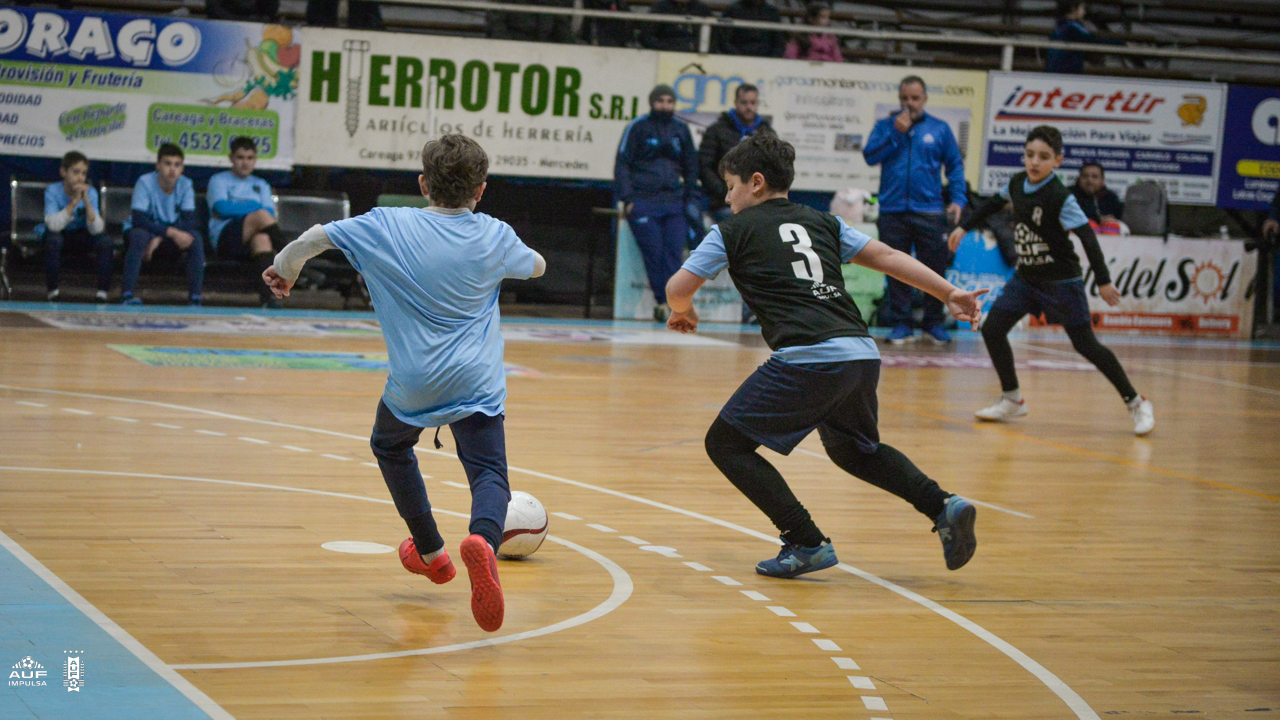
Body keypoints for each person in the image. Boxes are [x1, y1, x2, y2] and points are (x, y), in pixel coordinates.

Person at [665, 133, 985, 578]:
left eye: (732, 184)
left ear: (756, 183)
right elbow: (890, 256)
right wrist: (949, 291)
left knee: (725, 444)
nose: (726, 195)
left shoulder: (729, 230)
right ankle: (942, 505)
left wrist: (685, 311)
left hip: (810, 357)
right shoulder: (823, 222)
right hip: (859, 352)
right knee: (855, 452)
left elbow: (677, 288)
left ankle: (805, 541)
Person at [263, 135, 546, 632]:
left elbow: (313, 238)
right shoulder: (495, 234)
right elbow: (538, 266)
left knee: (390, 446)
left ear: (422, 184)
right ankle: (483, 538)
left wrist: (285, 270)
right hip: (476, 381)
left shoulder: (384, 225)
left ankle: (432, 552)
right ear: (481, 190)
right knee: (488, 473)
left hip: (414, 382)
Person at [948, 125, 1154, 436]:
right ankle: (1013, 398)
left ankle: (1136, 402)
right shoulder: (1017, 183)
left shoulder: (1060, 196)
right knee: (992, 329)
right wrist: (963, 227)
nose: (1034, 162)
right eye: (1030, 155)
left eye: (1043, 157)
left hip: (1062, 282)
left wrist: (1104, 280)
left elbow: (1087, 237)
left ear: (1057, 160)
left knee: (1086, 345)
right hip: (1026, 278)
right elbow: (990, 204)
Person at [863, 75, 967, 344]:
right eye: (905, 98)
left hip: (930, 211)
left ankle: (933, 323)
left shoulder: (940, 129)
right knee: (895, 267)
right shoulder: (885, 126)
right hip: (892, 209)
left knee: (934, 269)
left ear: (924, 99)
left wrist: (957, 198)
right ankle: (901, 323)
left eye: (915, 98)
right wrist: (896, 133)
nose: (910, 103)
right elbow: (870, 156)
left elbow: (955, 166)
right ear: (899, 99)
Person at [615, 84, 699, 322]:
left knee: (674, 252)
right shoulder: (637, 127)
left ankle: (673, 304)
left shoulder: (681, 129)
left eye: (670, 101)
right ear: (652, 103)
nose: (666, 106)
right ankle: (663, 302)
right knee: (654, 251)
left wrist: (690, 197)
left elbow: (692, 165)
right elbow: (622, 164)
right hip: (643, 200)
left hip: (674, 201)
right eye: (661, 101)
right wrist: (628, 199)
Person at [207, 137, 288, 307]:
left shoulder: (261, 184)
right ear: (231, 158)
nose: (245, 163)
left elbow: (269, 215)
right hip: (225, 238)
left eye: (250, 158)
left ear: (255, 159)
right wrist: (253, 206)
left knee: (263, 240)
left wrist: (240, 207)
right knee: (260, 215)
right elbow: (221, 209)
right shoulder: (218, 180)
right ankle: (294, 257)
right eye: (240, 157)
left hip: (251, 240)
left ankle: (269, 298)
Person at [121, 144, 204, 306]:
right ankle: (127, 295)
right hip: (143, 234)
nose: (172, 169)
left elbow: (189, 221)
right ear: (158, 165)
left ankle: (195, 298)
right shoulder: (145, 182)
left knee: (196, 238)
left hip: (164, 237)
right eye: (167, 163)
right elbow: (139, 219)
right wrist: (170, 232)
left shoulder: (186, 185)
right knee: (140, 235)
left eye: (177, 164)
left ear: (182, 168)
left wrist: (160, 237)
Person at [40, 151, 112, 303]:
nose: (80, 177)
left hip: (81, 235)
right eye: (76, 172)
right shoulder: (52, 191)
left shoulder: (90, 193)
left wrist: (86, 202)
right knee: (53, 240)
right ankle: (53, 292)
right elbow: (53, 225)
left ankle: (102, 293)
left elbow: (97, 229)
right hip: (60, 234)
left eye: (84, 173)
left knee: (105, 241)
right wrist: (73, 203)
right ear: (63, 172)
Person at [699, 84, 772, 224]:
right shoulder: (716, 131)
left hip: (758, 202)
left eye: (753, 103)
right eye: (744, 102)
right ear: (736, 102)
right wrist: (726, 191)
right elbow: (704, 167)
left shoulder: (767, 133)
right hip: (724, 202)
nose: (748, 107)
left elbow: (774, 167)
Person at [1046, 0, 1121, 74]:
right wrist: (1120, 43)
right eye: (1082, 8)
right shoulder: (1073, 27)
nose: (1084, 12)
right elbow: (1093, 39)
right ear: (1073, 9)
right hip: (1068, 69)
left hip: (1054, 69)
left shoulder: (1058, 28)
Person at [715, 0, 786, 58]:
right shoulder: (732, 10)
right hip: (737, 59)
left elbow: (779, 43)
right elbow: (724, 40)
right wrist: (739, 58)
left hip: (766, 61)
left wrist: (771, 60)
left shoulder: (772, 12)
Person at [640, 0, 713, 52]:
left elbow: (713, 38)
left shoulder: (702, 9)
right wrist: (667, 48)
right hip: (666, 54)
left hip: (699, 54)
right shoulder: (660, 7)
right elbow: (647, 37)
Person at [306, 0, 383, 30]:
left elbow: (375, 21)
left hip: (358, 37)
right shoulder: (319, 2)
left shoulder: (366, 2)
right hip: (325, 38)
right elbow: (313, 17)